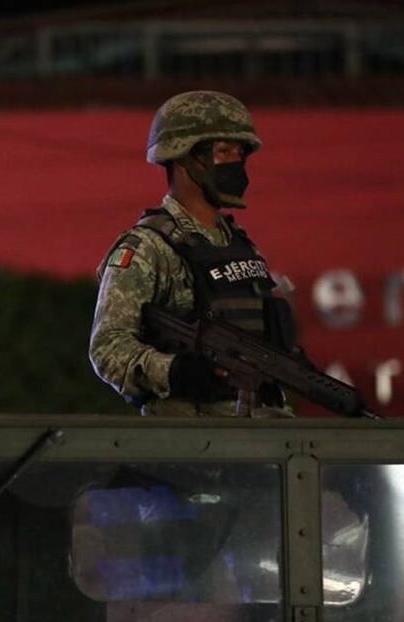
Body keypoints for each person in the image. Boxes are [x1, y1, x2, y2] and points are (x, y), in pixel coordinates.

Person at [89, 90, 292, 417]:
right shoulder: (148, 247)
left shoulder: (240, 244)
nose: (235, 163)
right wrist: (173, 371)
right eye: (223, 151)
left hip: (259, 435)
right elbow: (108, 349)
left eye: (240, 153)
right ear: (183, 156)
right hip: (191, 441)